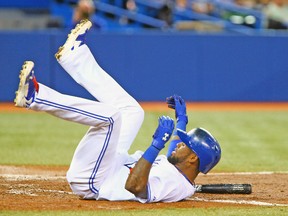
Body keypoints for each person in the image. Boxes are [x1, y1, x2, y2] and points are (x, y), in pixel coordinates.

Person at [14, 19, 221, 203]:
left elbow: (135, 187)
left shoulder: (176, 186)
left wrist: (155, 146)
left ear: (193, 158)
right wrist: (182, 120)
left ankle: (36, 97)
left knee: (111, 118)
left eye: (185, 144)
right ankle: (75, 57)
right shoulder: (179, 167)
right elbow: (173, 150)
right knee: (133, 111)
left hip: (95, 180)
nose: (177, 144)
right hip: (111, 164)